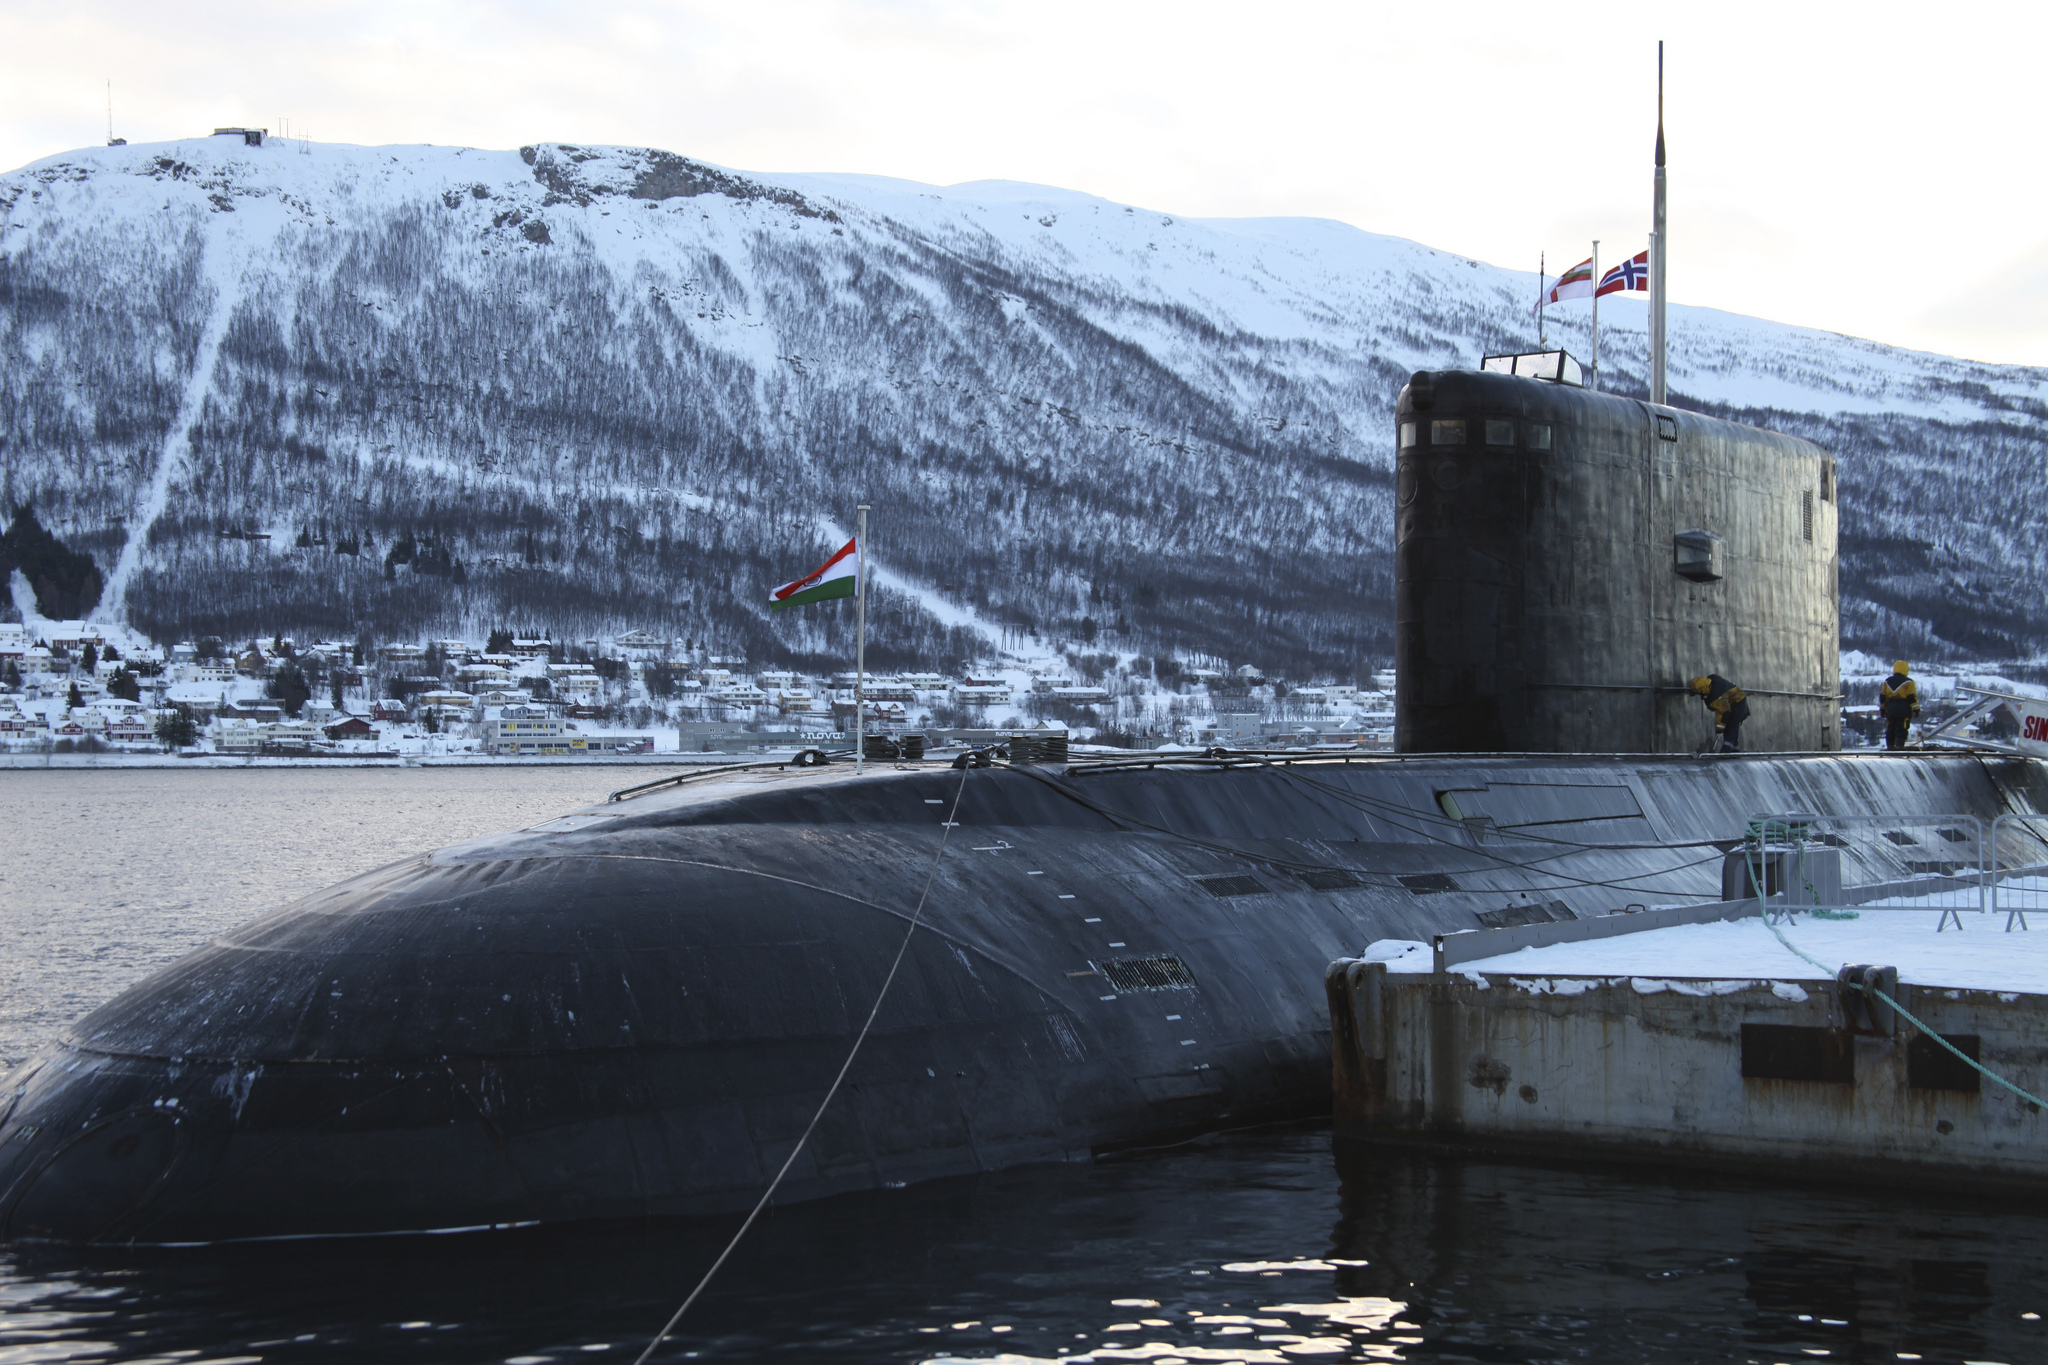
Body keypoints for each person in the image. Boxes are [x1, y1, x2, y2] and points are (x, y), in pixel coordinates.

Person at [1689, 674, 1750, 752]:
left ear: (1702, 690)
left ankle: (1726, 751)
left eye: (1699, 693)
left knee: (1730, 726)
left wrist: (1719, 731)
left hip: (1737, 704)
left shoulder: (1717, 696)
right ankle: (1735, 750)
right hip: (1737, 698)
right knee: (1733, 725)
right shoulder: (1712, 680)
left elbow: (1722, 714)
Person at [1878, 659, 1919, 751]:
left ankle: (1890, 747)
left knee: (1890, 726)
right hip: (1903, 707)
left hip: (1891, 707)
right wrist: (1916, 709)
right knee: (1902, 727)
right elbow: (1911, 697)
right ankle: (1899, 747)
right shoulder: (1909, 682)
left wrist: (1883, 709)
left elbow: (1882, 697)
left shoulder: (1887, 681)